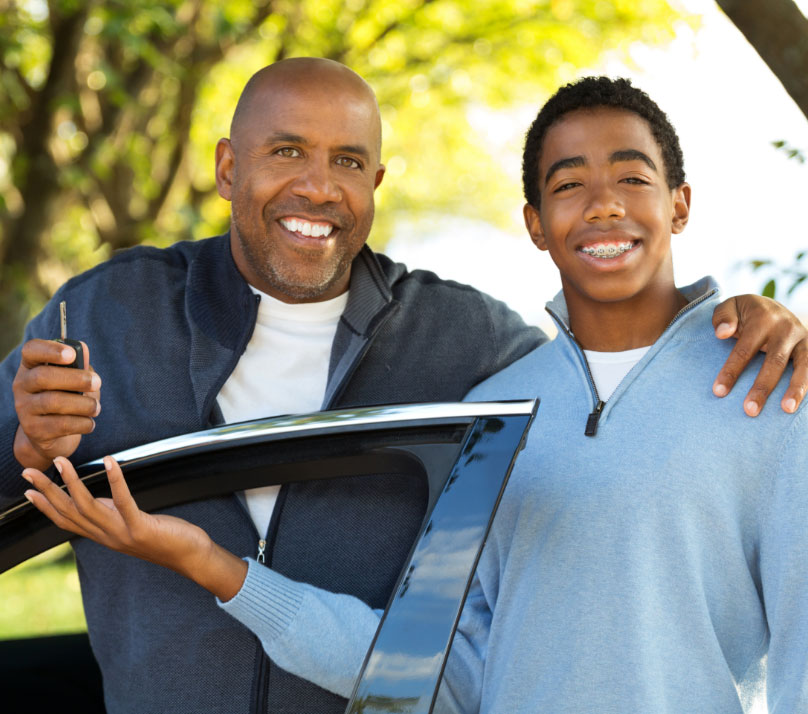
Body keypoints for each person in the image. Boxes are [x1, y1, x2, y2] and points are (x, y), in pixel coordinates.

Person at [7, 61, 807, 713]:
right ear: (227, 165)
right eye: (287, 150)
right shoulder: (110, 313)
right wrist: (36, 453)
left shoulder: (480, 352)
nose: (318, 187)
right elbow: (427, 669)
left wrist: (750, 320)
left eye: (348, 161)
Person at [434, 76, 808, 712]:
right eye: (569, 184)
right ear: (535, 223)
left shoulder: (776, 387)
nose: (604, 205)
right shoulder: (488, 416)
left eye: (632, 179)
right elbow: (450, 662)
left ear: (679, 205)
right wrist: (242, 583)